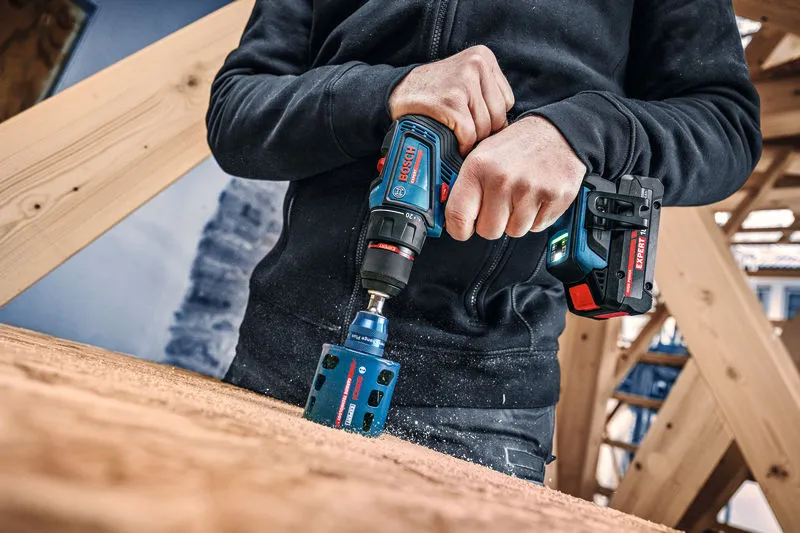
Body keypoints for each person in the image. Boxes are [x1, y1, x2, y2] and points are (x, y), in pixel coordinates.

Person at [206, 0, 761, 484]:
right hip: (275, 361)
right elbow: (236, 110)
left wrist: (580, 131)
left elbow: (726, 124)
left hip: (478, 412)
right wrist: (387, 92)